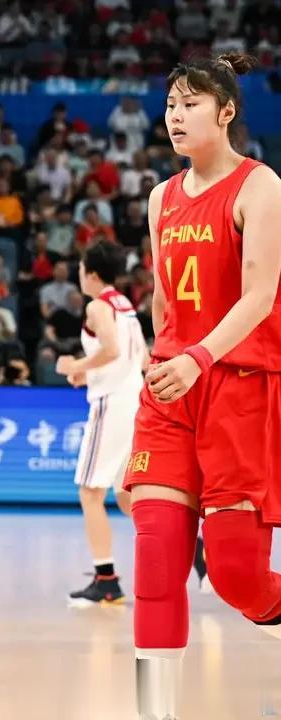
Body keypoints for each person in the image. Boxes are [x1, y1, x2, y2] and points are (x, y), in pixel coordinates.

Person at [122, 54, 281, 720]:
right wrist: (163, 362)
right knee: (157, 563)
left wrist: (199, 357)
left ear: (227, 111)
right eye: (170, 106)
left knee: (237, 574)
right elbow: (165, 298)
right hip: (171, 391)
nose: (176, 116)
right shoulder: (161, 197)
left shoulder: (260, 186)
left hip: (237, 386)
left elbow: (260, 295)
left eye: (191, 104)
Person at [56, 240, 146, 607]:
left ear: (91, 273)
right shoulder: (125, 305)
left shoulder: (97, 306)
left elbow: (111, 350)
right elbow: (141, 357)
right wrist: (89, 373)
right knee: (127, 495)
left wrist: (75, 365)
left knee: (90, 492)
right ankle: (191, 547)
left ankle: (106, 580)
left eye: (80, 268)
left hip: (112, 405)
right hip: (136, 401)